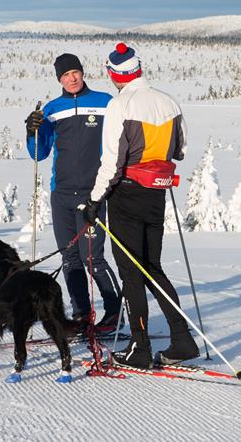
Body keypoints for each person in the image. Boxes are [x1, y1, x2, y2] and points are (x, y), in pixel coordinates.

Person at [82, 42, 197, 369]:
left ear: (113, 73)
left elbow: (112, 163)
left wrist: (94, 199)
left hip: (127, 194)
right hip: (155, 195)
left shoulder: (121, 105)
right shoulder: (168, 101)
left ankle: (141, 347)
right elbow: (181, 149)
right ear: (139, 68)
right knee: (152, 267)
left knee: (131, 271)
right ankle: (182, 339)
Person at [25, 53, 121, 332]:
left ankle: (115, 312)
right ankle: (81, 314)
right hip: (62, 194)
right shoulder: (53, 109)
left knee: (93, 258)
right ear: (59, 79)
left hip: (94, 193)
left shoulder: (105, 102)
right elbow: (39, 154)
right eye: (66, 75)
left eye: (75, 72)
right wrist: (32, 131)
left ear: (82, 72)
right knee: (69, 257)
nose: (72, 78)